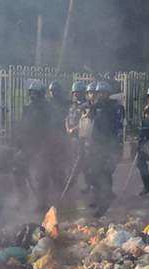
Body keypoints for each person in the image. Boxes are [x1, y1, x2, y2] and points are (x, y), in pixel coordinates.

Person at [13, 80, 61, 211]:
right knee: (18, 170)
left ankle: (42, 202)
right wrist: (19, 142)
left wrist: (48, 145)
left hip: (43, 145)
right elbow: (23, 126)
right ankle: (23, 197)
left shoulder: (49, 109)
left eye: (35, 93)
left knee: (41, 175)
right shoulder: (28, 108)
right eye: (31, 93)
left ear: (41, 93)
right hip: (28, 145)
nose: (32, 95)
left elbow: (53, 128)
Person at [85, 80, 124, 217]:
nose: (98, 95)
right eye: (97, 93)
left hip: (108, 146)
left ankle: (104, 203)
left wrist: (116, 148)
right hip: (96, 146)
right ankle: (99, 198)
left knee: (105, 173)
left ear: (107, 94)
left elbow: (118, 129)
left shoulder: (115, 108)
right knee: (93, 173)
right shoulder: (95, 107)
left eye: (101, 93)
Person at [64, 80, 93, 195]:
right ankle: (84, 184)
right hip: (71, 138)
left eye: (78, 92)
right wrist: (67, 128)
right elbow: (66, 118)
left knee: (80, 161)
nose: (76, 94)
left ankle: (71, 184)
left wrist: (73, 129)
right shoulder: (72, 105)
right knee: (76, 161)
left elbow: (85, 122)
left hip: (81, 138)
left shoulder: (86, 106)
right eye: (74, 92)